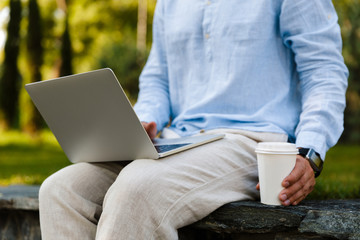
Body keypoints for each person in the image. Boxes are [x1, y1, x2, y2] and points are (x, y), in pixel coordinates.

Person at [39, 1, 348, 239]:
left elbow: (324, 71)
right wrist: (145, 119)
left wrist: (311, 151)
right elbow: (159, 79)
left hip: (250, 140)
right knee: (61, 190)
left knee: (137, 190)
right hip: (178, 139)